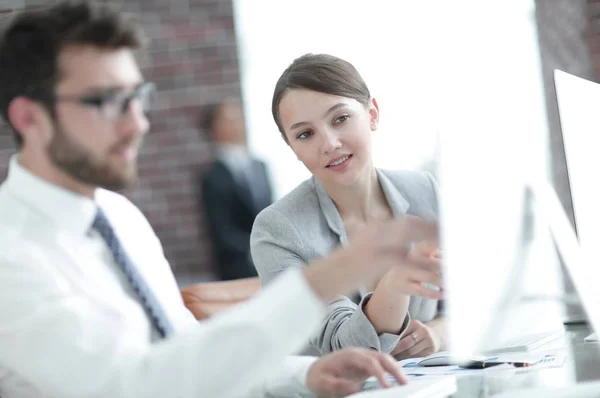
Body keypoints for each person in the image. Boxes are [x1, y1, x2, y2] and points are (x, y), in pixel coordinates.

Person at [0, 2, 439, 397]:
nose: (138, 124)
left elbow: (183, 349)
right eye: (108, 101)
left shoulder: (119, 218)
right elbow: (132, 385)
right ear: (30, 118)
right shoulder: (10, 254)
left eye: (136, 98)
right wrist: (323, 279)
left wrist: (302, 375)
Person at [251, 53, 447, 359]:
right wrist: (394, 285)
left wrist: (437, 332)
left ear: (372, 114)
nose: (328, 143)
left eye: (340, 118)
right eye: (305, 134)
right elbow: (343, 345)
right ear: (293, 148)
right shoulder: (277, 230)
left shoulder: (424, 190)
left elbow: (477, 298)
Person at [199, 99, 273, 280]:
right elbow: (221, 230)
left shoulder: (260, 166)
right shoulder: (212, 177)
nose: (236, 125)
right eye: (227, 120)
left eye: (238, 118)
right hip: (239, 269)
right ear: (214, 129)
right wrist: (256, 248)